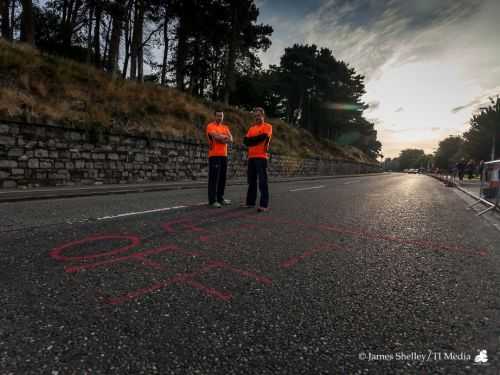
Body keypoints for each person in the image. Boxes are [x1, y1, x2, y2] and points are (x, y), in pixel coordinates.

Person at [243, 107, 273, 212]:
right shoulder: (252, 128)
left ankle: (264, 205)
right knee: (251, 181)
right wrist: (254, 140)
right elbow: (246, 141)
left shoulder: (268, 126)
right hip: (251, 157)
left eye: (258, 115)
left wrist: (252, 140)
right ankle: (250, 202)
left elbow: (263, 138)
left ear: (263, 116)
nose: (257, 117)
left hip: (261, 157)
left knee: (262, 181)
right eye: (255, 116)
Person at [206, 110, 233, 208]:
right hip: (214, 155)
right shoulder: (210, 126)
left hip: (224, 155)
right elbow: (216, 137)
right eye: (218, 116)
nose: (219, 117)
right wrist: (224, 138)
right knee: (214, 178)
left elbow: (231, 139)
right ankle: (212, 200)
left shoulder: (225, 127)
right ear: (214, 116)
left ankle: (220, 198)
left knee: (222, 178)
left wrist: (223, 138)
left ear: (223, 117)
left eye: (221, 116)